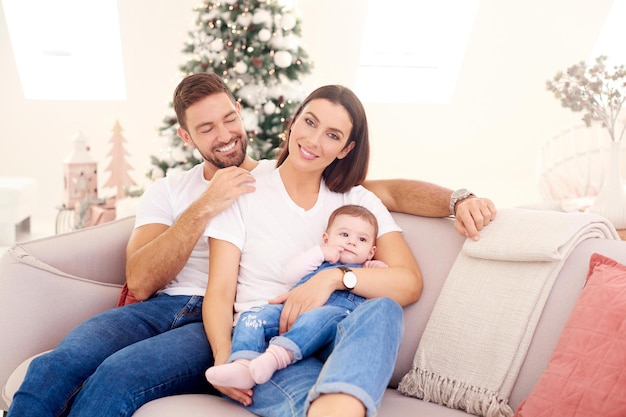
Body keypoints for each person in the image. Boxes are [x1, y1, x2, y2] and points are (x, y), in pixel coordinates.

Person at [7, 73, 496, 417]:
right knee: (69, 363)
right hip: (199, 313)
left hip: (271, 324)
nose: (223, 135)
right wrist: (209, 203)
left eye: (228, 119)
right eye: (205, 128)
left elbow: (386, 196)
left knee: (381, 311)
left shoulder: (339, 193)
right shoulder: (215, 188)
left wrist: (458, 198)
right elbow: (149, 279)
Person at [202, 84, 423, 417]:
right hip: (269, 344)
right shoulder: (243, 193)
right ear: (293, 122)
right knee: (319, 405)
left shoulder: (358, 200)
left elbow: (408, 283)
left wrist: (333, 278)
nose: (314, 140)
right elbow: (219, 291)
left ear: (346, 149)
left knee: (384, 311)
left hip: (338, 336)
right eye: (310, 122)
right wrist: (224, 357)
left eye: (333, 135)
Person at [205, 204, 388, 389]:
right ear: (326, 238)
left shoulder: (368, 270)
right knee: (252, 316)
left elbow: (383, 296)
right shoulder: (320, 259)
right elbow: (289, 275)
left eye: (362, 239)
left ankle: (275, 358)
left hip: (331, 322)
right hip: (291, 310)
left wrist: (379, 270)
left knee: (318, 317)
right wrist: (320, 252)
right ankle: (242, 364)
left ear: (371, 252)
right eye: (344, 235)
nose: (352, 242)